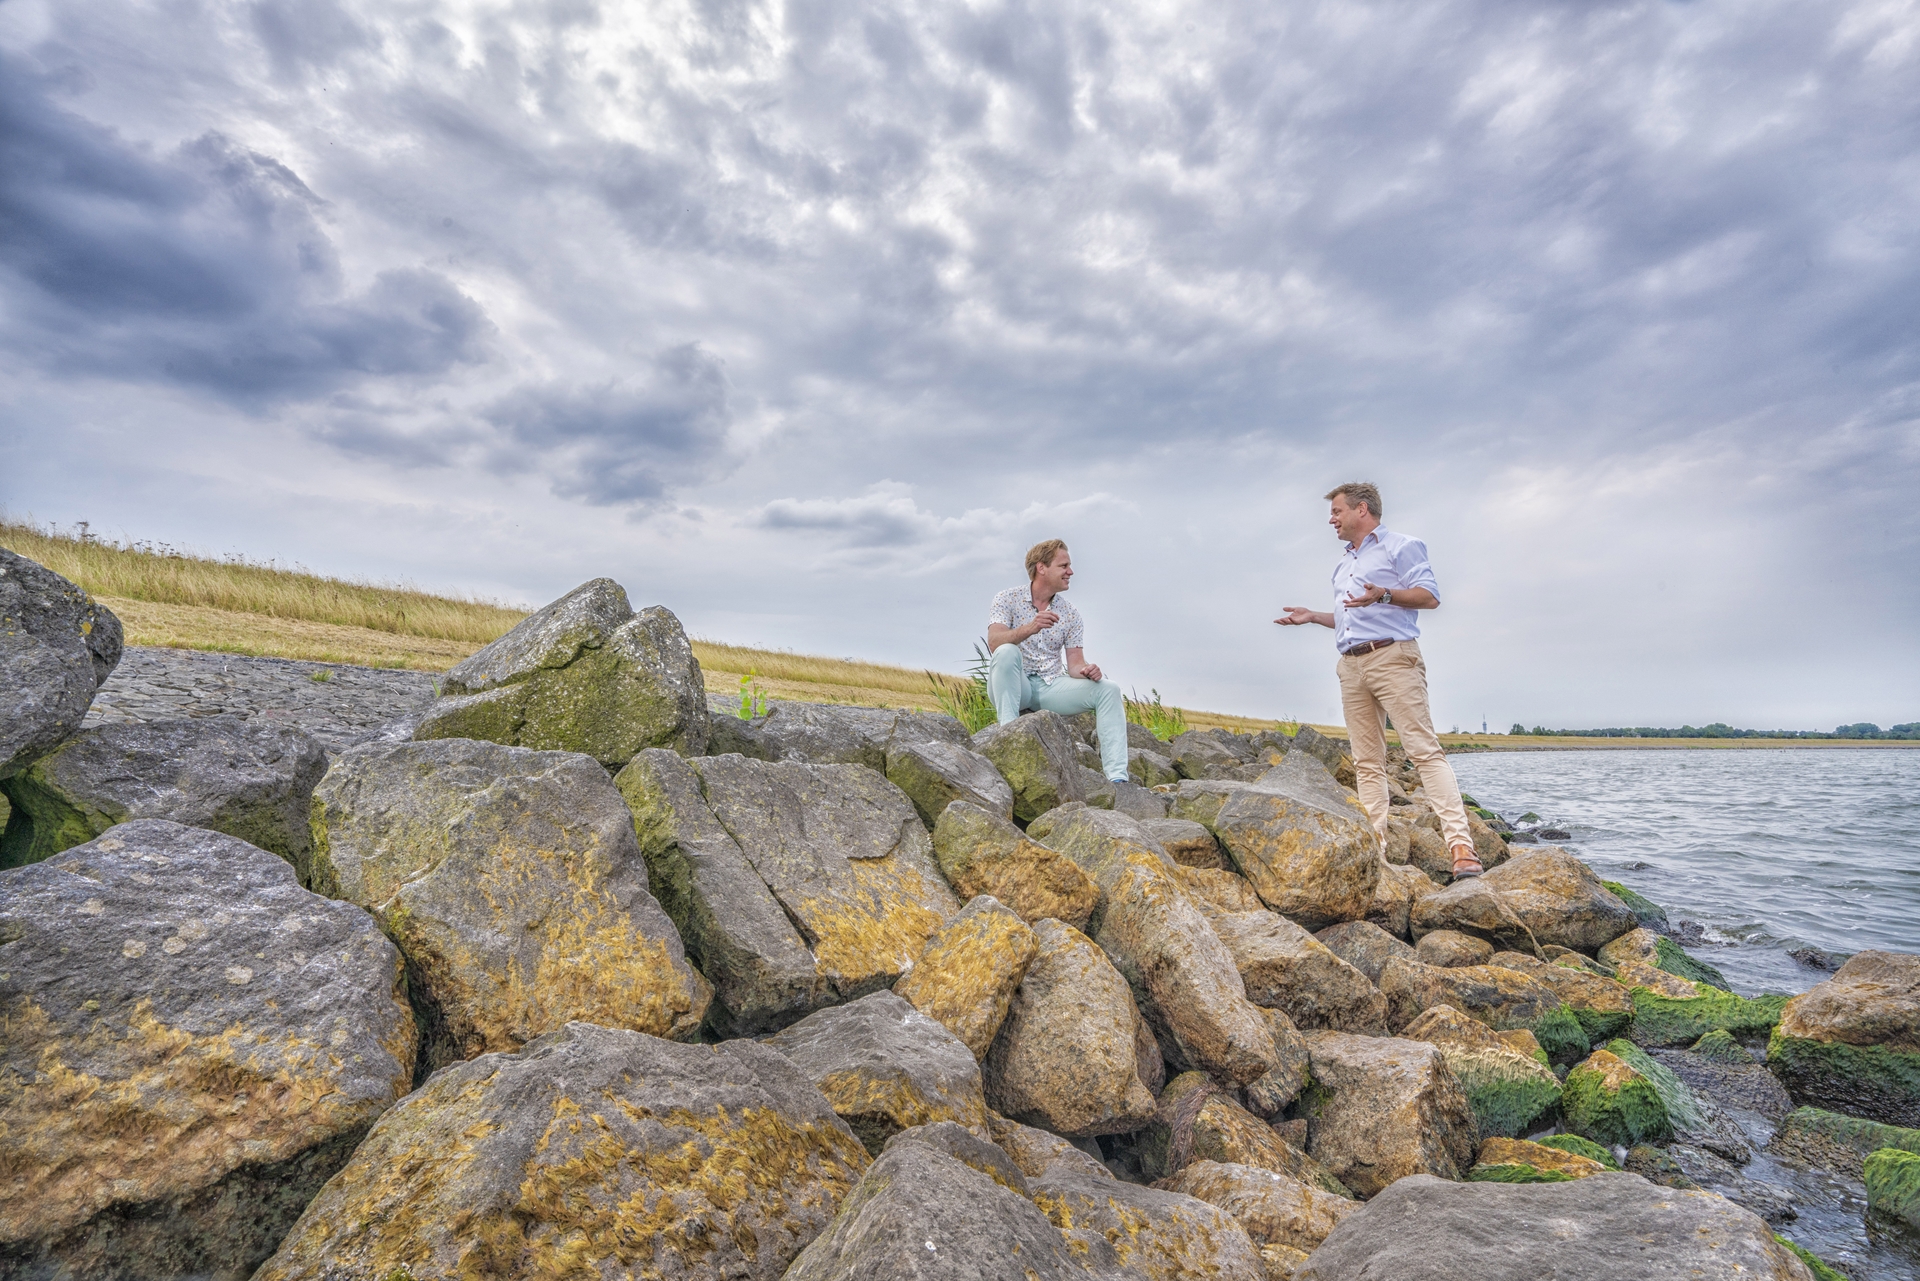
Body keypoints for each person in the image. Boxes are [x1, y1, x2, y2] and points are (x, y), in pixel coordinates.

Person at [1273, 482, 1483, 878]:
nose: (1331, 520)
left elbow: (1430, 596)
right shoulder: (1343, 565)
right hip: (1351, 665)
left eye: (1336, 511)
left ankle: (1461, 847)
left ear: (1361, 509)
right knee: (1367, 762)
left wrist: (1384, 594)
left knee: (1424, 751)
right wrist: (1314, 616)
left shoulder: (1401, 546)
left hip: (1393, 658)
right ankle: (1377, 849)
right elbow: (1351, 616)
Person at [986, 539, 1130, 783]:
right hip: (1014, 686)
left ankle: (1118, 779)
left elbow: (1075, 664)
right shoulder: (1006, 599)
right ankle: (1008, 737)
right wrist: (1030, 628)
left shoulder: (1071, 614)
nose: (1070, 572)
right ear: (1041, 568)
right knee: (1006, 651)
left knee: (1109, 689)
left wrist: (1087, 670)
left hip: (1049, 687)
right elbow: (994, 643)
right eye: (1064, 566)